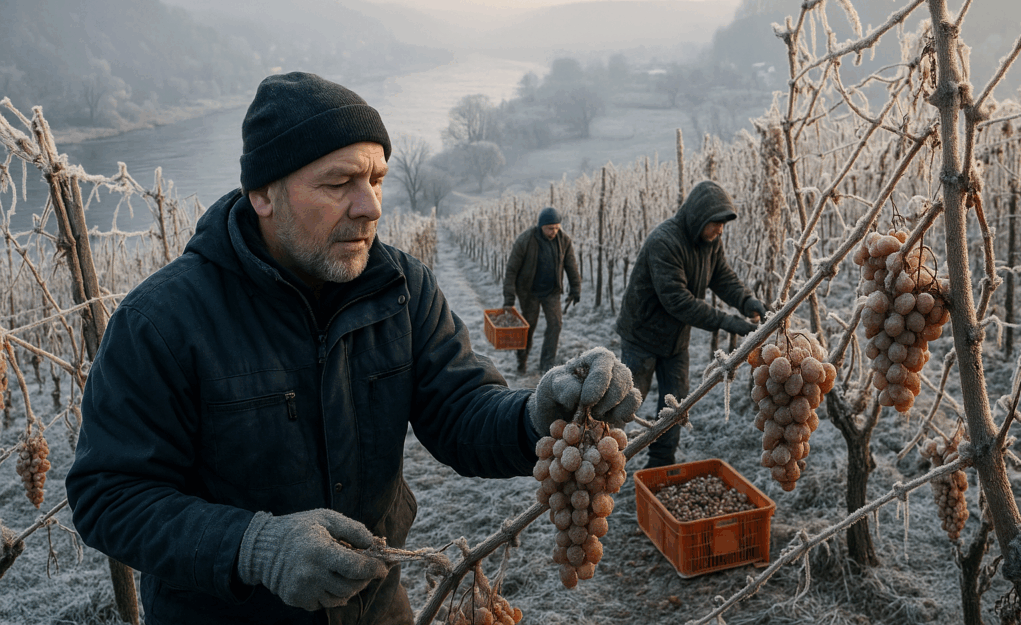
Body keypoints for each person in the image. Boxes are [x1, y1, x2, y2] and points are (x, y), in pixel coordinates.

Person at [65, 72, 641, 625]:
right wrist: (255, 547)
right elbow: (108, 495)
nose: (370, 206)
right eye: (339, 183)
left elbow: (460, 410)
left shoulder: (402, 290)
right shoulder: (162, 322)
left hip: (373, 606)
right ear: (263, 194)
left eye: (377, 179)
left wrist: (536, 414)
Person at [615, 180, 766, 469]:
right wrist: (729, 322)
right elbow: (678, 301)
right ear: (699, 217)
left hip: (675, 340)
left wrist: (747, 301)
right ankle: (605, 456)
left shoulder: (710, 242)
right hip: (642, 336)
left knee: (676, 405)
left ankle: (660, 464)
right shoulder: (664, 241)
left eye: (723, 224)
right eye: (716, 223)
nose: (720, 230)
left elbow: (722, 277)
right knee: (627, 403)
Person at [502, 207, 582, 375]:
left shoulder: (564, 240)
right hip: (529, 292)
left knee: (555, 325)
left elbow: (571, 264)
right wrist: (509, 299)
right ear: (541, 226)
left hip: (552, 291)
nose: (554, 231)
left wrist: (575, 288)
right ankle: (521, 360)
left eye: (556, 227)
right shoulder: (525, 240)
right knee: (528, 328)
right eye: (550, 228)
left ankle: (547, 364)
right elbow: (511, 270)